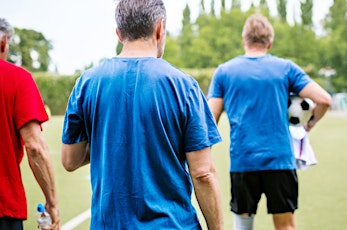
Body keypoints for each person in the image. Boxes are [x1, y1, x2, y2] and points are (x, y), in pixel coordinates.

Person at [60, 0, 223, 229]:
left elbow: (70, 160)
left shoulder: (86, 84)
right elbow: (203, 173)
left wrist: (110, 140)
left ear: (119, 33)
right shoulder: (184, 86)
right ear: (160, 28)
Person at [207, 14, 332, 230]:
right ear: (269, 43)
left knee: (243, 225)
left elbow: (209, 121)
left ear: (244, 41)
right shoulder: (286, 68)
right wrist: (308, 124)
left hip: (243, 162)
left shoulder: (224, 72)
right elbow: (324, 100)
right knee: (285, 226)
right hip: (280, 161)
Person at [0, 18, 60, 230]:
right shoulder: (17, 78)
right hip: (3, 205)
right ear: (4, 42)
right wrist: (51, 202)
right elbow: (34, 147)